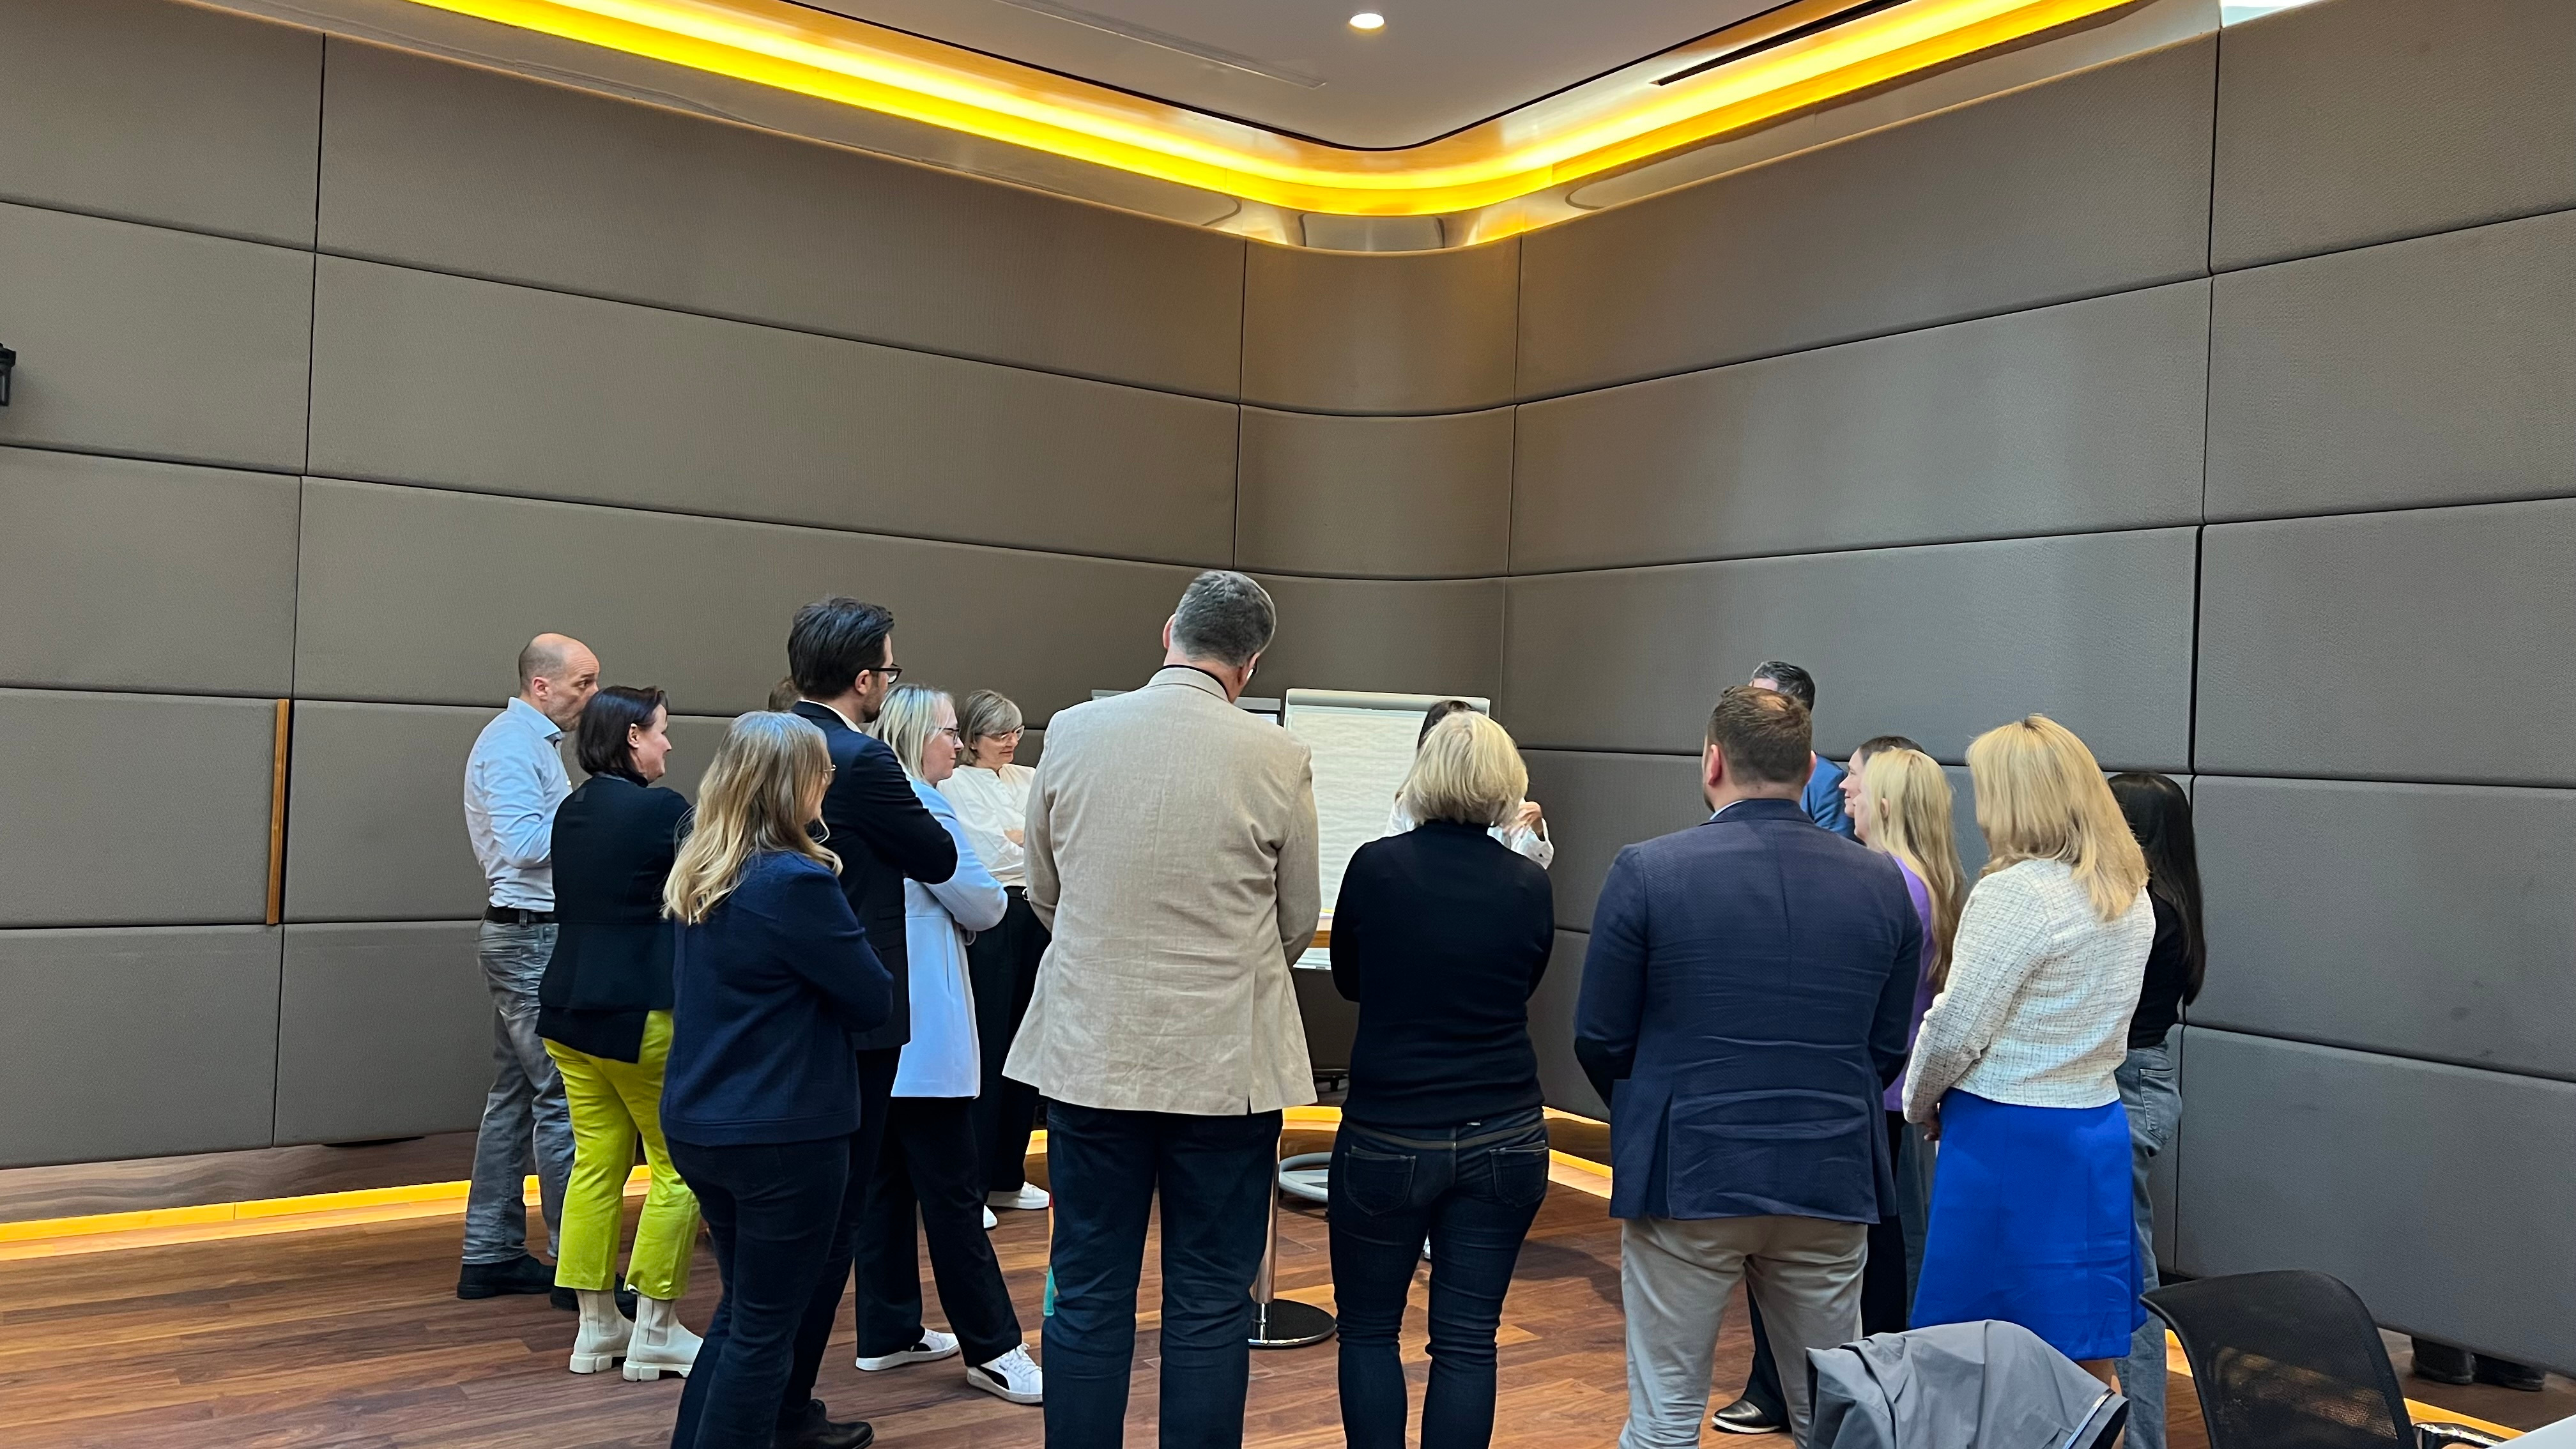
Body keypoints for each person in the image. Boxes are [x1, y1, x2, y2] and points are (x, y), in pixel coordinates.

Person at [1007, 570, 1321, 1449]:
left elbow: (1043, 890)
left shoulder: (1073, 731)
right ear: (1251, 665)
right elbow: (1297, 919)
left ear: (1168, 631)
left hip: (1091, 1053)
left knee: (1088, 1290)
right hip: (1226, 1067)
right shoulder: (1279, 755)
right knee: (1212, 1301)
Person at [1575, 686, 1922, 1447]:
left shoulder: (1648, 870)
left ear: (1712, 762)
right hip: (1830, 1172)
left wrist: (1659, 1110)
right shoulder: (1882, 883)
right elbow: (1885, 1047)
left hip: (1689, 1172)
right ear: (1809, 768)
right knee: (1832, 1418)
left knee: (1665, 1420)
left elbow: (1600, 1037)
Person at [660, 713, 893, 1449]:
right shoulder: (795, 882)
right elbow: (873, 999)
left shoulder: (702, 871)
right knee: (764, 1330)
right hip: (782, 1131)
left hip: (703, 1120)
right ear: (795, 784)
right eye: (824, 772)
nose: (830, 783)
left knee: (742, 1315)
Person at [1905, 716, 2154, 1393]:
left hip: (2007, 1137)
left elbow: (1955, 1028)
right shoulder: (2129, 891)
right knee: (2087, 1357)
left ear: (2015, 799)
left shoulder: (2016, 893)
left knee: (1970, 1354)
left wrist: (1920, 1103)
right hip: (2094, 1130)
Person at [1329, 710, 1555, 1449]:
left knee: (1369, 1331)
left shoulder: (1375, 867)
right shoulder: (1528, 883)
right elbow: (1526, 982)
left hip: (1388, 1131)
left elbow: (1350, 981)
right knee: (1468, 1339)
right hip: (1508, 1133)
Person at [777, 598, 960, 1448]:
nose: (891, 682)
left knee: (798, 1217)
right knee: (834, 1217)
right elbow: (939, 856)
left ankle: (775, 1399)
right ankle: (787, 1409)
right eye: (889, 670)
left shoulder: (764, 742)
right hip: (856, 1012)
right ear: (864, 681)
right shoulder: (861, 758)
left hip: (776, 1003)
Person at [1722, 732, 1938, 1434]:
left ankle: (1809, 1393)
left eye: (1856, 777)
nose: (1843, 786)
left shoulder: (1890, 883)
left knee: (1822, 1254)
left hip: (1862, 1092)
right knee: (1869, 1255)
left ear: (1888, 797)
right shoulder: (1911, 878)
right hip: (1883, 1094)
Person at [852, 685, 1044, 1406]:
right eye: (948, 732)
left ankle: (888, 1330)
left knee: (885, 1185)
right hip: (925, 1027)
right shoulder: (925, 807)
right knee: (955, 1197)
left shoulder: (855, 802)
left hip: (876, 1028)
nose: (957, 745)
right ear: (913, 736)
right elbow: (987, 901)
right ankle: (994, 1348)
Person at [539, 686, 702, 1380]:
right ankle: (656, 1328)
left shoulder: (570, 810)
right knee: (679, 1166)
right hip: (642, 1013)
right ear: (634, 737)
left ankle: (597, 1329)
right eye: (661, 731)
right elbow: (707, 890)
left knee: (596, 1165)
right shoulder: (663, 811)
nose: (669, 744)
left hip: (568, 1011)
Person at [457, 632, 597, 1304]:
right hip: (530, 936)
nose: (592, 696)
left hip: (524, 934)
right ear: (542, 686)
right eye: (583, 683)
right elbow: (521, 844)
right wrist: (595, 824)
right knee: (561, 1098)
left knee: (514, 1097)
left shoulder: (530, 743)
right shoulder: (515, 744)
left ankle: (490, 1252)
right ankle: (577, 1269)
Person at [2106, 771, 2206, 1447]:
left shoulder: (2145, 912)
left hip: (2126, 1081)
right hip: (2141, 1077)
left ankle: (2144, 1437)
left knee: (2128, 1278)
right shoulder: (2175, 901)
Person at [935, 689, 1052, 1212]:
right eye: (998, 734)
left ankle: (1007, 1172)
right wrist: (1027, 840)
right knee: (988, 1047)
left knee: (1028, 1046)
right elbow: (987, 853)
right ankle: (974, 1182)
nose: (1010, 742)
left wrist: (1023, 838)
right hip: (992, 917)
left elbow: (1054, 840)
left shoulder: (1030, 777)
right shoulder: (955, 783)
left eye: (1016, 732)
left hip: (1039, 913)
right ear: (972, 737)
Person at [1382, 699, 1552, 867]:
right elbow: (1392, 860)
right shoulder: (1407, 802)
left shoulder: (1501, 798)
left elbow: (1530, 863)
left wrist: (1536, 831)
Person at [1747, 660, 1851, 837]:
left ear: (1793, 714)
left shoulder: (1827, 781)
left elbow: (1837, 851)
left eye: (1757, 702)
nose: (1745, 711)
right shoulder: (1737, 768)